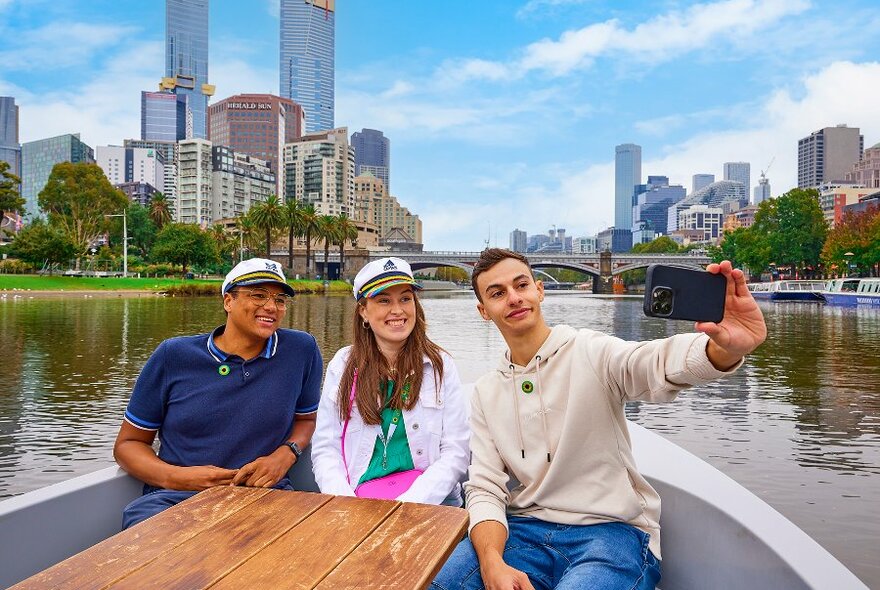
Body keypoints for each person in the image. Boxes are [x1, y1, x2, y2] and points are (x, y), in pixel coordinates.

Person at [432, 249, 767, 590]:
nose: (514, 298)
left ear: (539, 290)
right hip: (525, 531)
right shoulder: (487, 392)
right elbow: (485, 488)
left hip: (610, 533)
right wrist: (492, 564)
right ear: (483, 311)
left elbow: (655, 363)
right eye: (497, 293)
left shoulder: (591, 351)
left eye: (521, 285)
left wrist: (725, 349)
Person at [114, 258, 323, 529]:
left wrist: (285, 455)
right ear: (228, 301)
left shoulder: (300, 350)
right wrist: (179, 478)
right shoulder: (173, 356)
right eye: (258, 295)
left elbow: (306, 420)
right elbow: (128, 445)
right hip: (175, 500)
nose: (271, 307)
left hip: (266, 496)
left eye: (280, 299)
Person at [311, 257, 469, 505]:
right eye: (384, 300)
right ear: (363, 310)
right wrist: (347, 504)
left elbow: (456, 452)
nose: (397, 310)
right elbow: (325, 449)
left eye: (405, 299)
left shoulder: (440, 366)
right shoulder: (342, 366)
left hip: (433, 504)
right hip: (359, 502)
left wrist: (407, 504)